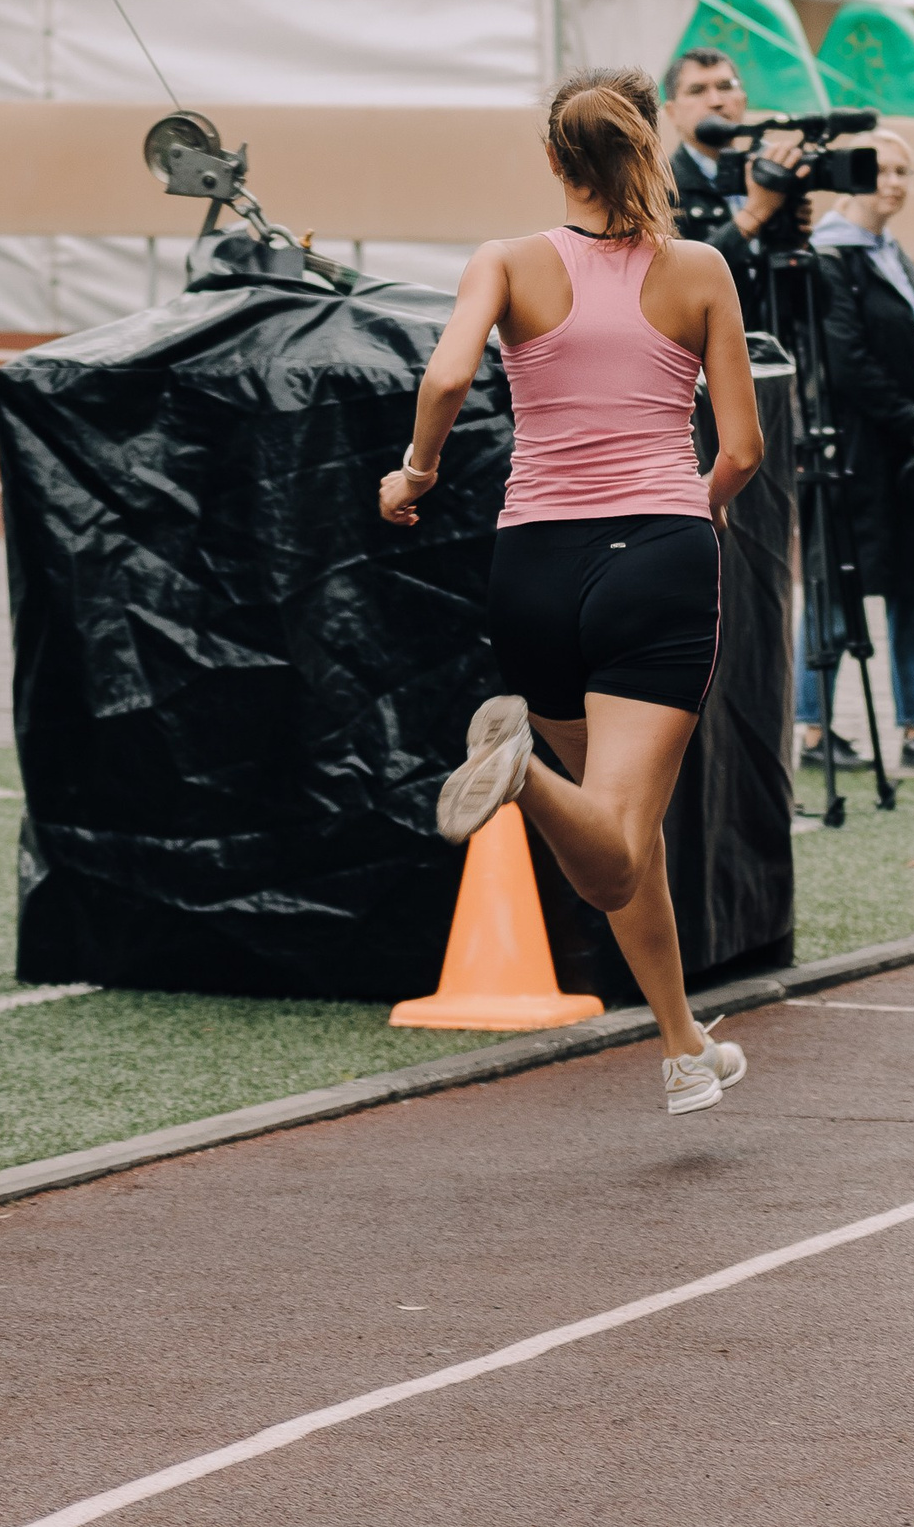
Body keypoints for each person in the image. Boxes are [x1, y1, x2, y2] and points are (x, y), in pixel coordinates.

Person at [380, 68, 764, 1115]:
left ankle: (685, 1046)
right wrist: (702, 498)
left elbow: (447, 378)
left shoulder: (502, 261)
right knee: (612, 847)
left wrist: (415, 471)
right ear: (650, 150)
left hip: (533, 563)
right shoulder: (698, 270)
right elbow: (740, 447)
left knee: (616, 831)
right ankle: (517, 775)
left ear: (553, 159)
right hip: (656, 558)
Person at [798, 130, 914, 774]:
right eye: (881, 170)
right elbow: (847, 362)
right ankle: (814, 732)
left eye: (903, 171)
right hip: (856, 457)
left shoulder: (897, 256)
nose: (893, 182)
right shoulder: (828, 258)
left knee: (913, 599)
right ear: (849, 175)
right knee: (834, 597)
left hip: (913, 458)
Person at [661, 48, 802, 329]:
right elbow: (675, 283)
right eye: (697, 90)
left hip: (779, 351)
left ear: (743, 101)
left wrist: (795, 240)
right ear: (672, 112)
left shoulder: (767, 174)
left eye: (726, 87)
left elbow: (809, 302)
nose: (716, 101)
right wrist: (755, 214)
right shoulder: (658, 186)